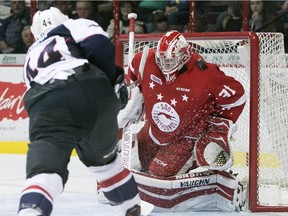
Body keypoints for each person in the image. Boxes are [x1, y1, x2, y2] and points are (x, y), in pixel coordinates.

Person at [17, 7, 143, 216]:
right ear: (63, 18)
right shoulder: (73, 25)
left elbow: (35, 94)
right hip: (93, 94)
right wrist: (110, 82)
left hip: (47, 104)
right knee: (106, 166)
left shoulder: (31, 54)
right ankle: (131, 209)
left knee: (45, 174)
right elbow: (99, 45)